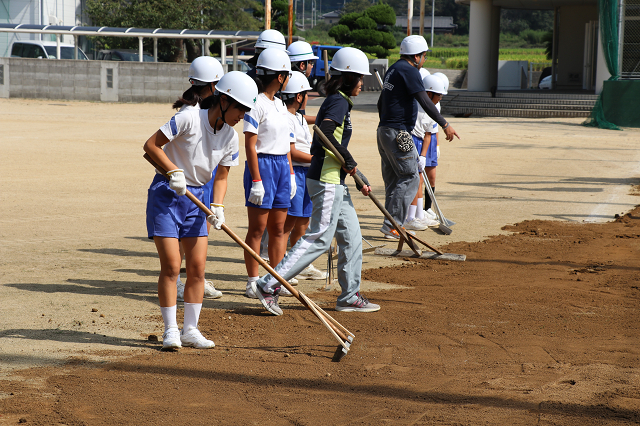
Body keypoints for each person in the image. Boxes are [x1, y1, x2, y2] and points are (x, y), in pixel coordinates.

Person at [250, 47, 381, 316]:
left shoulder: (339, 100)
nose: (362, 83)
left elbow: (329, 139)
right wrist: (348, 159)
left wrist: (351, 172)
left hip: (336, 180)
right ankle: (268, 284)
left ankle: (349, 295)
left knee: (352, 237)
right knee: (319, 238)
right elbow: (325, 136)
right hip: (326, 180)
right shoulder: (338, 102)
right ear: (347, 78)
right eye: (359, 78)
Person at [144, 72, 258, 350]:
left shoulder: (230, 137)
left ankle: (190, 330)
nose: (242, 115)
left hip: (199, 201)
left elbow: (221, 176)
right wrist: (172, 170)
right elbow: (150, 146)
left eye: (246, 110)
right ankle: (171, 329)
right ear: (224, 100)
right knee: (172, 266)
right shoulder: (188, 118)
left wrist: (218, 206)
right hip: (167, 194)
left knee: (197, 268)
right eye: (240, 108)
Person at [377, 35, 459, 239]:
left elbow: (381, 102)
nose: (425, 60)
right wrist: (445, 123)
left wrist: (388, 122)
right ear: (416, 56)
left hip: (384, 130)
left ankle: (391, 224)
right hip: (399, 132)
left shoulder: (393, 69)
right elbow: (424, 100)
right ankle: (393, 224)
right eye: (424, 55)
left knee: (394, 179)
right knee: (411, 175)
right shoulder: (409, 71)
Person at [243, 48, 296, 299]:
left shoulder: (280, 105)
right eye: (286, 74)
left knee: (278, 228)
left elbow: (286, 143)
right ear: (279, 77)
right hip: (262, 167)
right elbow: (250, 145)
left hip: (282, 168)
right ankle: (253, 281)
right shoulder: (256, 103)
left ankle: (276, 279)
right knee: (257, 228)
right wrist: (256, 180)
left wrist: (292, 174)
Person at [172, 55, 225, 300]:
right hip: (187, 180)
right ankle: (184, 281)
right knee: (186, 233)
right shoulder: (190, 113)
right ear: (213, 86)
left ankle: (196, 277)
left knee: (200, 230)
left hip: (203, 173)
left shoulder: (203, 110)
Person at [281, 71, 328, 281]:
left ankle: (299, 263)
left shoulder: (299, 117)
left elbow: (312, 119)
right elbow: (291, 152)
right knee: (288, 223)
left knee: (303, 220)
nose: (308, 97)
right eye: (307, 94)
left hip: (307, 172)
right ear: (299, 97)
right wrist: (316, 158)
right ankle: (283, 265)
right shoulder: (287, 119)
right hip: (296, 172)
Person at [404, 73, 442, 232]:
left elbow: (428, 134)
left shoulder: (435, 108)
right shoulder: (413, 104)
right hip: (409, 138)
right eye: (438, 95)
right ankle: (410, 217)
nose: (440, 98)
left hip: (421, 141)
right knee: (413, 181)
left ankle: (419, 214)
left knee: (419, 179)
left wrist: (424, 156)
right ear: (428, 93)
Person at [422, 72, 450, 220]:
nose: (440, 98)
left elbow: (434, 127)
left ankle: (427, 208)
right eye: (439, 95)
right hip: (421, 138)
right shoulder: (422, 103)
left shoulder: (436, 104)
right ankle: (417, 211)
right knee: (419, 178)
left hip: (431, 139)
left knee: (431, 177)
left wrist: (437, 144)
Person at [287, 40, 318, 125]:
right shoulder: (295, 86)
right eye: (311, 62)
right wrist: (321, 119)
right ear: (302, 65)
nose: (312, 66)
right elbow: (297, 118)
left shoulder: (286, 81)